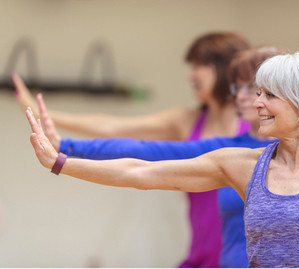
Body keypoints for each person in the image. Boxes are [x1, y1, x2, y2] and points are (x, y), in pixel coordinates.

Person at [25, 51, 299, 268]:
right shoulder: (239, 163)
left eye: (269, 96)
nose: (255, 103)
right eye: (257, 92)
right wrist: (62, 162)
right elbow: (142, 171)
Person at [14, 32, 250, 268]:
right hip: (201, 259)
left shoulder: (256, 135)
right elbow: (118, 132)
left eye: (200, 65)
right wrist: (44, 120)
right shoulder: (187, 122)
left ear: (224, 68)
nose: (191, 74)